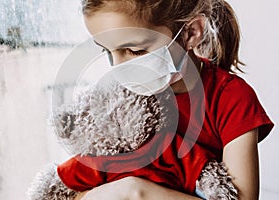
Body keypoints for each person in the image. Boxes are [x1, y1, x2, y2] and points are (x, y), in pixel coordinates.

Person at [68, 0, 274, 199]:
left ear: (191, 32)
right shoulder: (119, 101)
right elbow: (73, 186)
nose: (118, 68)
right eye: (107, 50)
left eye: (135, 50)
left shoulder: (231, 98)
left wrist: (136, 192)